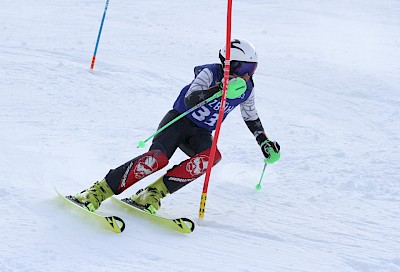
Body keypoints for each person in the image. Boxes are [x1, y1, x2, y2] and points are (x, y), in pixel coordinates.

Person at [75, 38, 281, 213]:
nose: (247, 75)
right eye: (244, 68)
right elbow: (191, 100)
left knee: (210, 158)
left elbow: (251, 117)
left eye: (252, 69)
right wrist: (219, 89)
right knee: (157, 159)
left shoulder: (247, 89)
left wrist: (263, 142)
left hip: (200, 132)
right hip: (177, 122)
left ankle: (152, 193)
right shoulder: (210, 74)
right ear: (230, 65)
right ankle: (98, 191)